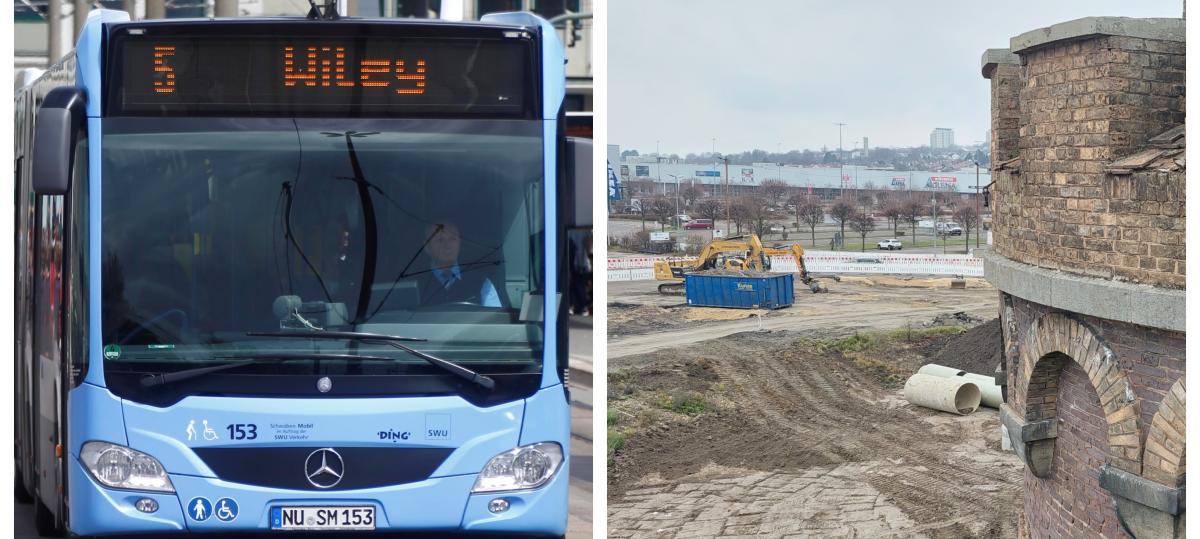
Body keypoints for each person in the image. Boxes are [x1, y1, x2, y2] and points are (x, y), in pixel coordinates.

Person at [417, 221, 502, 307]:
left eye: (452, 239)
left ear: (459, 243)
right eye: (440, 240)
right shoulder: (414, 285)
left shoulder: (482, 282)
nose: (447, 245)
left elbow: (494, 318)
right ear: (427, 247)